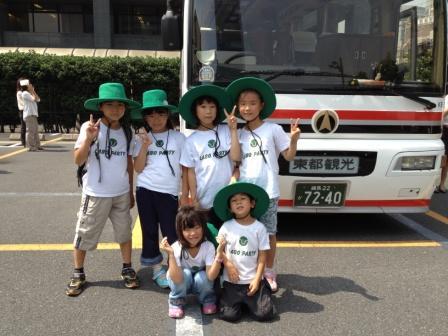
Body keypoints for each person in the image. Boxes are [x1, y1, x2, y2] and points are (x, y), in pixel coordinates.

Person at [65, 82, 142, 297]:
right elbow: (77, 160)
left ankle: (127, 267)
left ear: (125, 108)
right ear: (101, 107)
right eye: (110, 105)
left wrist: (130, 191)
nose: (115, 109)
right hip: (95, 194)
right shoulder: (90, 128)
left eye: (120, 105)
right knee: (84, 234)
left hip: (120, 193)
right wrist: (89, 138)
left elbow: (128, 163)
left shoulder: (128, 131)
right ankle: (78, 272)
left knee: (124, 232)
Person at [226, 77, 300, 292]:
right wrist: (232, 131)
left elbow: (288, 156)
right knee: (245, 231)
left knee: (269, 233)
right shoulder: (239, 133)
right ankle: (248, 269)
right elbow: (236, 158)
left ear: (262, 105)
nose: (247, 108)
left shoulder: (274, 129)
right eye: (242, 103)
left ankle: (268, 269)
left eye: (252, 103)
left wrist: (294, 140)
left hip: (268, 191)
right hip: (246, 192)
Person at [132, 89, 186, 288]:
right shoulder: (140, 139)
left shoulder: (179, 138)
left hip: (169, 193)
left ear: (168, 115)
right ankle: (156, 269)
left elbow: (186, 168)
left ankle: (175, 266)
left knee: (172, 232)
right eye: (151, 114)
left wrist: (186, 193)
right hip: (145, 190)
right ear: (145, 117)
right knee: (149, 231)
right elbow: (138, 168)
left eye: (161, 113)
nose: (156, 119)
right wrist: (145, 145)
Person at [178, 84, 240, 229]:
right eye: (203, 107)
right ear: (195, 111)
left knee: (229, 238)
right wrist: (193, 199)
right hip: (204, 201)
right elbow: (190, 172)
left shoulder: (226, 131)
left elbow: (236, 157)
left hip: (228, 199)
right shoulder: (191, 141)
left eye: (212, 107)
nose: (208, 111)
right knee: (208, 238)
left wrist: (233, 131)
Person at [213, 181, 275, 322]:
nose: (238, 202)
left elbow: (262, 256)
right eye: (234, 201)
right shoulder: (226, 227)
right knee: (228, 315)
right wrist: (228, 264)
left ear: (252, 204)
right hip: (232, 281)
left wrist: (257, 278)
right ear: (230, 208)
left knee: (264, 314)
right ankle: (243, 302)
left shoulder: (259, 228)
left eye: (243, 199)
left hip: (252, 280)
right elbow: (220, 250)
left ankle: (261, 291)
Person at [159, 205, 225, 319]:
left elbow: (211, 275)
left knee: (202, 276)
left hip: (198, 282)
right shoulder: (176, 247)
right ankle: (176, 301)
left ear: (203, 227)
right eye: (187, 229)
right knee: (186, 274)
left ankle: (207, 299)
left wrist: (219, 254)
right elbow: (177, 279)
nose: (193, 233)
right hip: (182, 279)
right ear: (180, 230)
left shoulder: (208, 246)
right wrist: (171, 254)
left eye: (196, 227)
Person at [20, 79, 42, 152]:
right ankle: (31, 146)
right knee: (30, 131)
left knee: (35, 131)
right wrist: (32, 91)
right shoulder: (25, 93)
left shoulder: (29, 93)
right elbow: (34, 99)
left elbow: (38, 99)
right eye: (29, 84)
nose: (31, 85)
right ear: (26, 86)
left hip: (33, 114)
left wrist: (33, 91)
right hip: (29, 114)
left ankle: (37, 145)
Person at [435, 108, 448, 193]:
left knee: (447, 162)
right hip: (445, 130)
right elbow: (441, 115)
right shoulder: (445, 98)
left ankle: (442, 184)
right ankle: (433, 184)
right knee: (440, 159)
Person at [16, 78, 26, 147]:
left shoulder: (23, 92)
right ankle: (23, 142)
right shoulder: (19, 92)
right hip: (23, 110)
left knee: (25, 126)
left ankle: (25, 141)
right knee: (23, 127)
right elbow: (23, 103)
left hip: (25, 110)